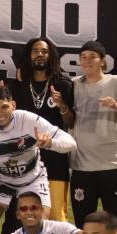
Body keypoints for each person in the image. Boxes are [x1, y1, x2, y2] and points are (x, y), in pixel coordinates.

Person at [0, 85, 77, 234]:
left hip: (32, 178)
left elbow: (71, 143)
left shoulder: (29, 120)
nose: (0, 113)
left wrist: (51, 143)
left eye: (4, 107)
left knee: (40, 225)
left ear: (13, 105)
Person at [70, 40, 117, 234]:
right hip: (81, 167)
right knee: (83, 225)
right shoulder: (74, 84)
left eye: (92, 56)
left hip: (112, 165)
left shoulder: (115, 81)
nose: (87, 61)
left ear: (102, 61)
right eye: (83, 57)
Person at [9, 37, 75, 223]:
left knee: (55, 216)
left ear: (51, 56)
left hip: (55, 159)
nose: (40, 54)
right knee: (24, 214)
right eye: (35, 51)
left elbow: (70, 123)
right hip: (25, 158)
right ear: (29, 56)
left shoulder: (63, 84)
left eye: (44, 51)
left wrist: (62, 105)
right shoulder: (19, 86)